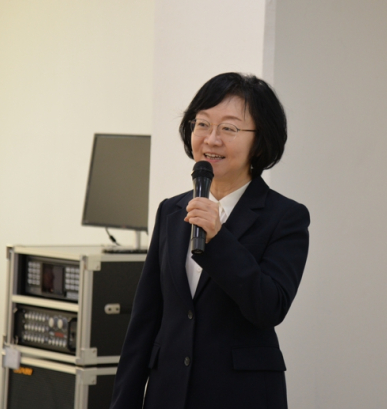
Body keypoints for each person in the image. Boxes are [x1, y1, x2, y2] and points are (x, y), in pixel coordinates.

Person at [110, 72, 310, 409]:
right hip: (168, 394)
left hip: (241, 396)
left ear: (260, 141)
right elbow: (145, 319)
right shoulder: (172, 210)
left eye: (229, 129)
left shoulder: (285, 217)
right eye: (202, 124)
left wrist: (218, 241)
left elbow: (269, 307)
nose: (211, 139)